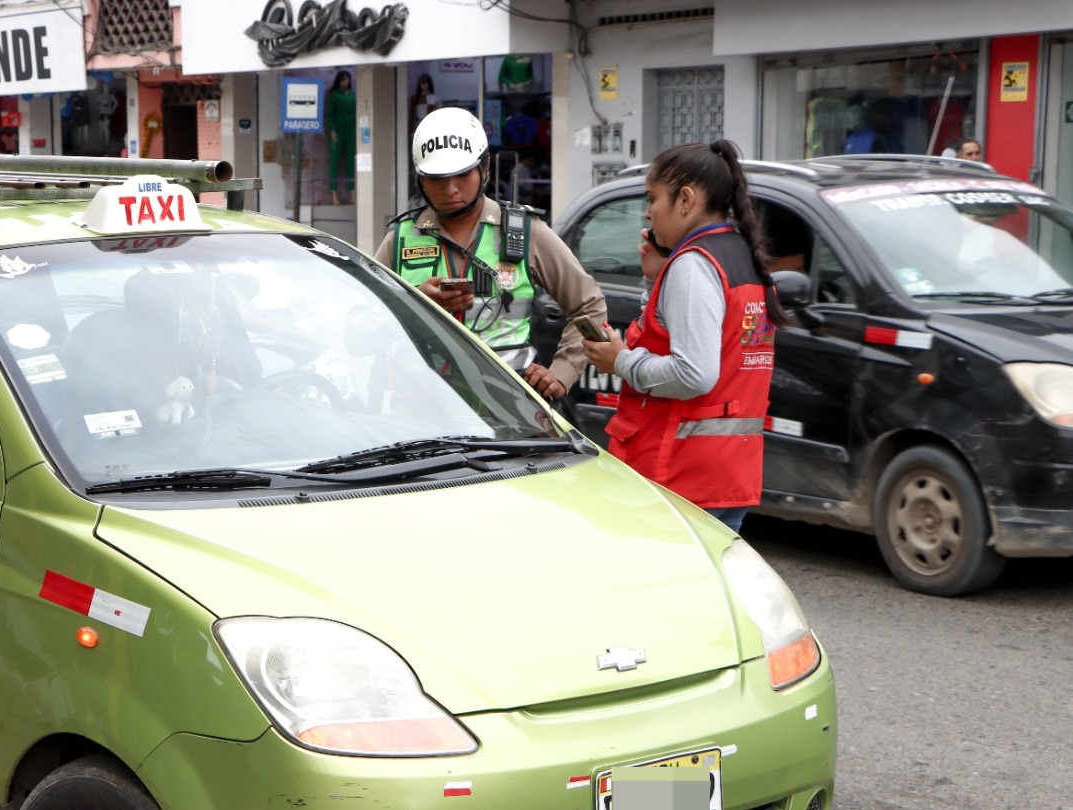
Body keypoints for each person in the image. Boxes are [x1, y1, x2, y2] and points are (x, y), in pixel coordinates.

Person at [579, 141, 789, 533]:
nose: (647, 212)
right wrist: (658, 277)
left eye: (652, 198)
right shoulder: (740, 256)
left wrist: (620, 360)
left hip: (679, 474)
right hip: (727, 474)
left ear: (686, 200)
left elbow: (695, 374)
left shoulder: (694, 266)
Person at [376, 107, 605, 402]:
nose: (450, 189)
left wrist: (561, 373)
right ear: (420, 178)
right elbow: (357, 329)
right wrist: (416, 303)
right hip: (423, 416)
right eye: (437, 178)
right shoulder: (399, 240)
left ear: (485, 168)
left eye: (461, 174)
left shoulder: (524, 232)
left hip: (507, 416)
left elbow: (589, 305)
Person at [326, 70, 356, 206]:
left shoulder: (353, 95)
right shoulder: (334, 95)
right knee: (334, 163)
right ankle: (333, 195)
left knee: (351, 162)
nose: (346, 82)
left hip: (351, 132)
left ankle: (352, 195)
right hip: (337, 132)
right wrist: (332, 129)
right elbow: (329, 114)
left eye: (347, 79)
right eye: (343, 80)